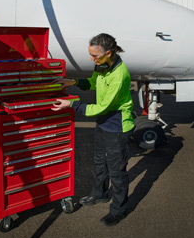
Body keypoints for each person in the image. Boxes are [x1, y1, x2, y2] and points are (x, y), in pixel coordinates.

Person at [52, 33, 134, 227]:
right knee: (100, 161)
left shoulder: (120, 75)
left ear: (108, 53)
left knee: (117, 171)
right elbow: (92, 83)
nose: (92, 59)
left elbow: (102, 107)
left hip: (117, 125)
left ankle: (118, 210)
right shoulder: (103, 66)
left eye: (95, 56)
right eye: (90, 54)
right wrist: (73, 82)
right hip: (104, 122)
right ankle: (100, 194)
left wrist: (72, 105)